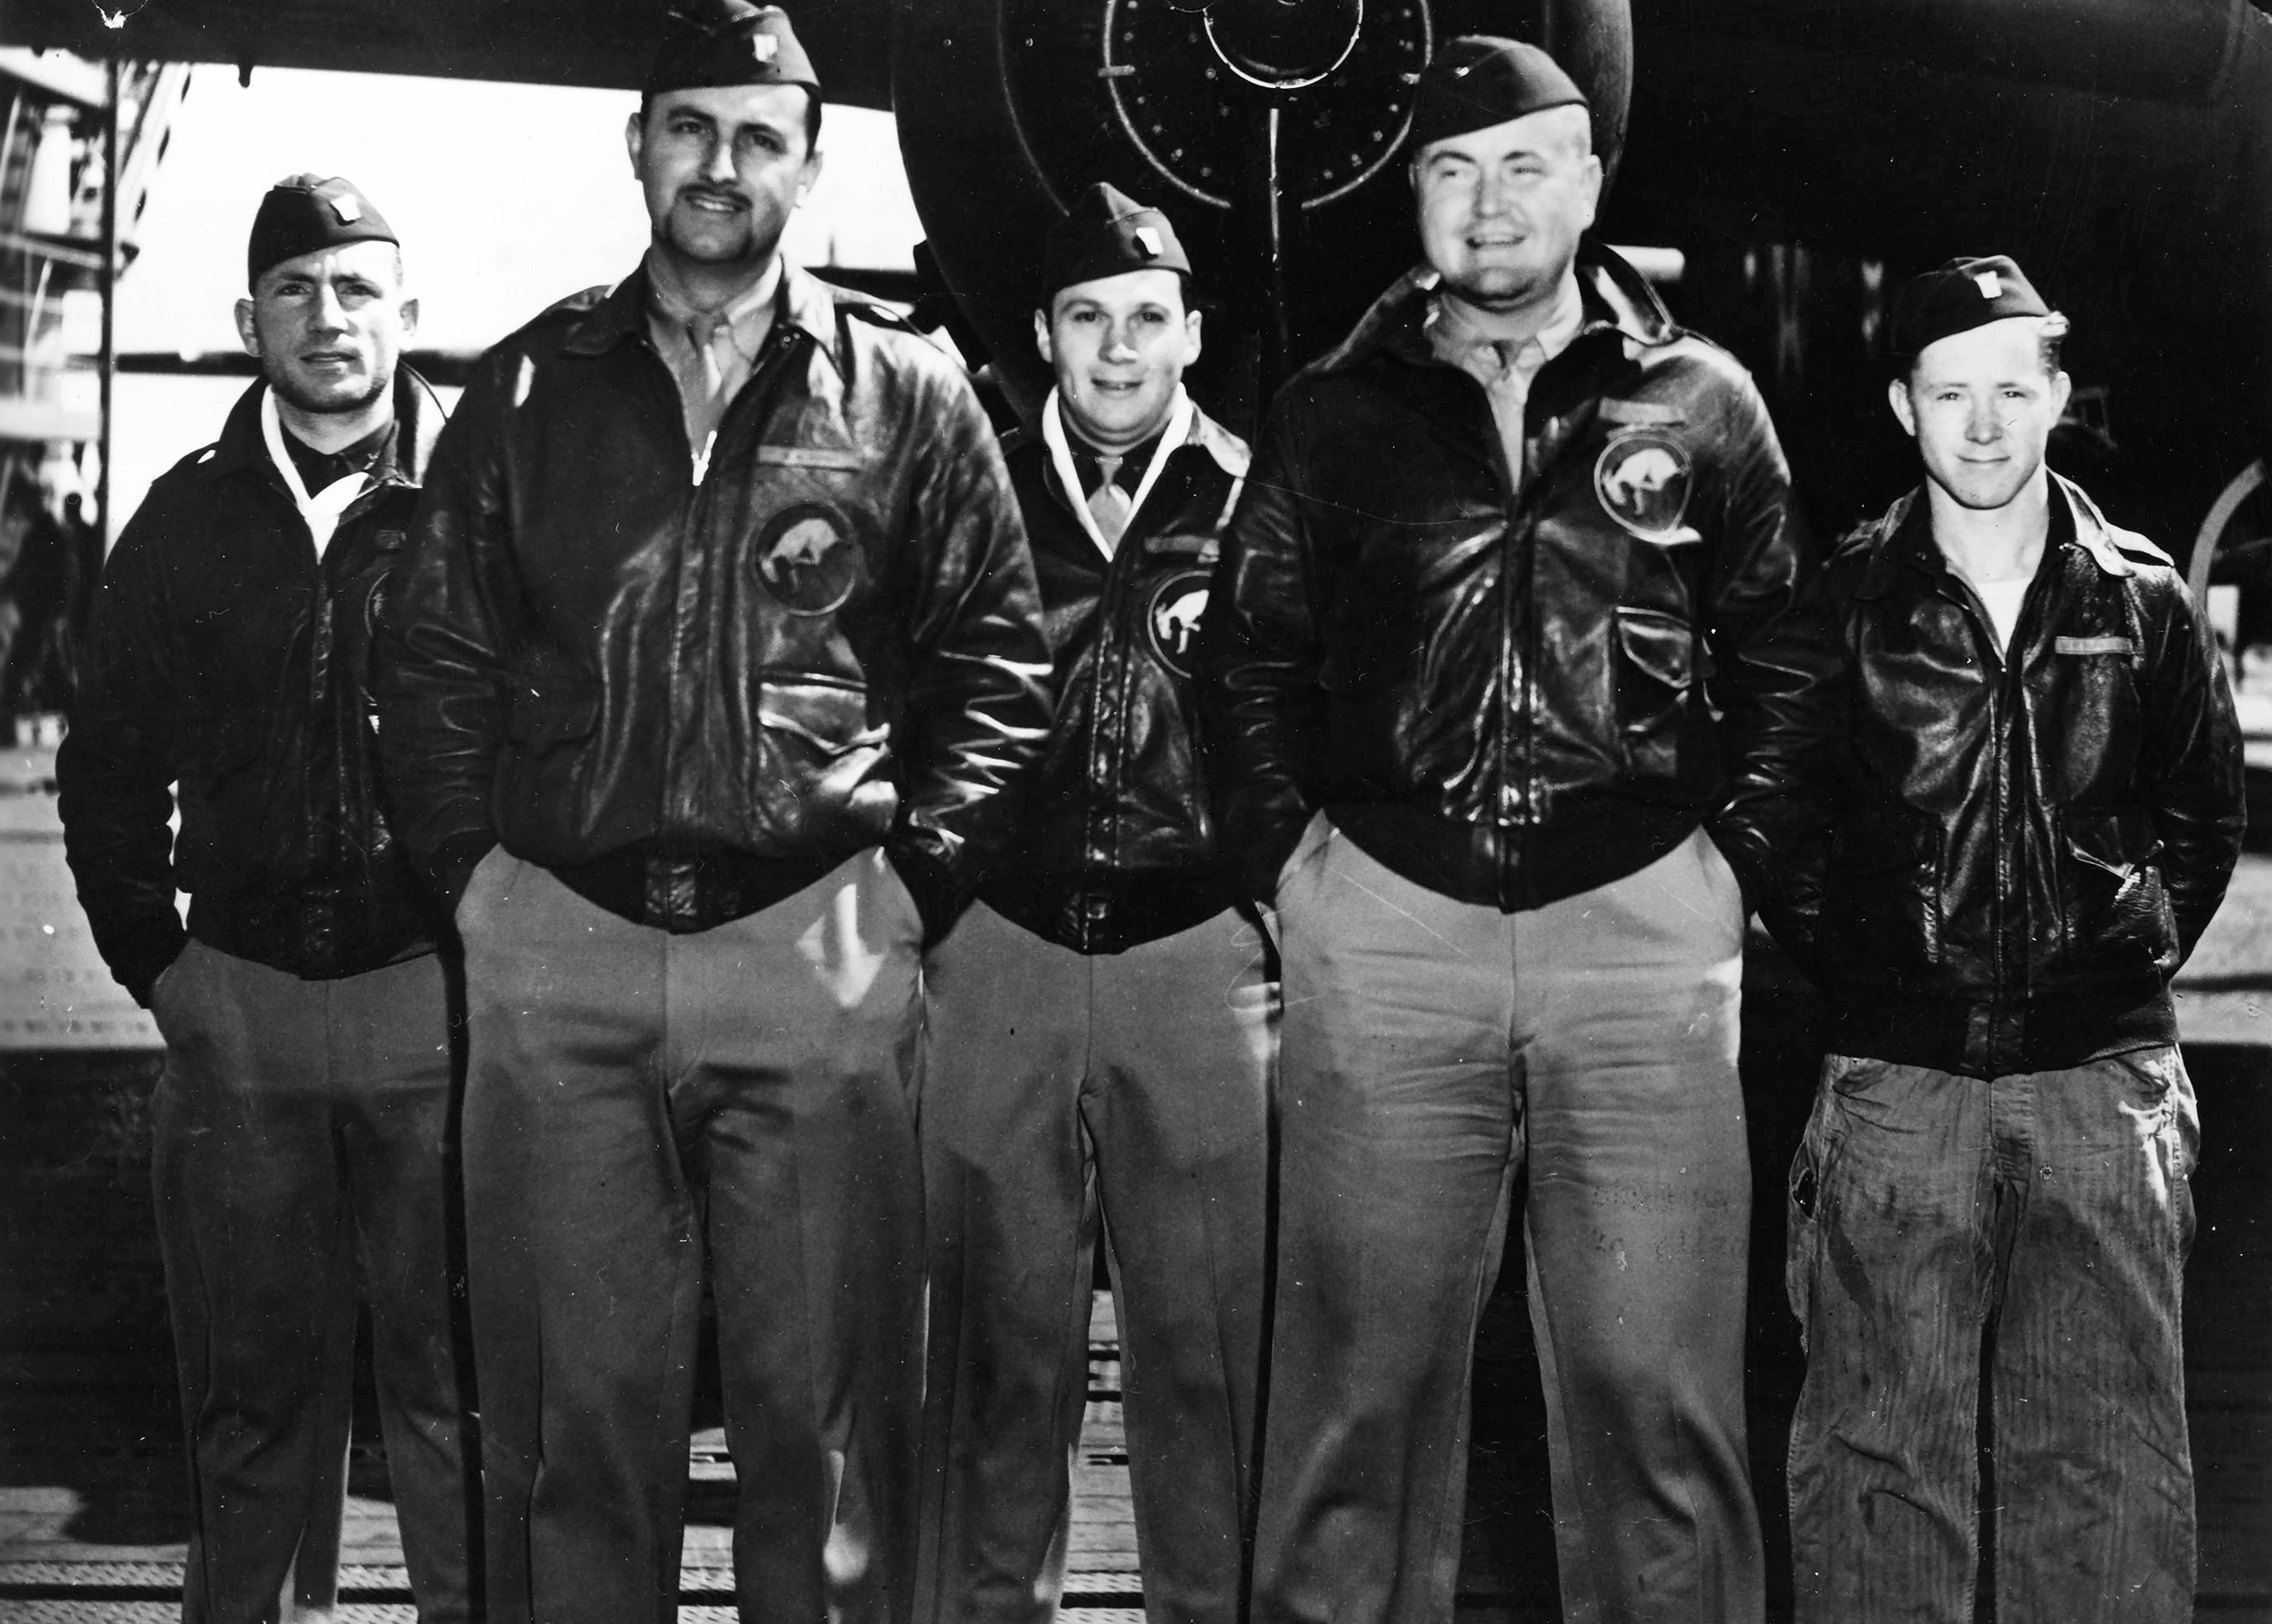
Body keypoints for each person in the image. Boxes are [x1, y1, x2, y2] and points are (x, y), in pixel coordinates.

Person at [374, 7, 1052, 1622]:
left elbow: (1000, 667)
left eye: (760, 136)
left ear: (812, 164)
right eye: (690, 127)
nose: (721, 166)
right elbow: (435, 655)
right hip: (567, 955)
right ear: (636, 143)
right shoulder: (534, 380)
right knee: (572, 1432)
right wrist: (481, 892)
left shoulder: (908, 391)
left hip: (807, 947)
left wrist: (906, 892)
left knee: (820, 1449)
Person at [1199, 35, 1843, 1624]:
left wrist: (1725, 873)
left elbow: (1789, 650)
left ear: (1590, 182)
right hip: (1390, 934)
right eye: (1450, 173)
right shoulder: (1332, 410)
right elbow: (1250, 659)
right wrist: (1303, 873)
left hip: (1637, 939)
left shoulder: (1702, 400)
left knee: (1659, 1397)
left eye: (1522, 166)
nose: (1487, 206)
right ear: (1413, 198)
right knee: (1358, 1396)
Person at [1769, 256, 2246, 1623]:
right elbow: (1773, 809)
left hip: (2103, 1088)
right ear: (1904, 409)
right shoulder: (1848, 599)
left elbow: (2203, 815)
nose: (1982, 425)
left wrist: (2123, 943)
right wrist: (1878, 966)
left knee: (2104, 1464)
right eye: (1949, 392)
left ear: (2057, 397)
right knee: (1880, 1456)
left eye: (2009, 389)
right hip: (1899, 1095)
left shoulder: (2140, 598)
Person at [56, 176, 472, 1624]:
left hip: (437, 1009)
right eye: (295, 288)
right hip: (243, 1016)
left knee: (455, 1415)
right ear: (249, 320)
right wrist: (164, 972)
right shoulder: (183, 522)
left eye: (358, 286)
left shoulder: (479, 509)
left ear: (408, 312)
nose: (328, 316)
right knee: (250, 1409)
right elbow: (104, 769)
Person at [913, 183, 1267, 1624]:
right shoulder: (969, 493)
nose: (1117, 349)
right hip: (1002, 951)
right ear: (1044, 336)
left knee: (1212, 1362)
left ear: (1192, 333)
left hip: (1200, 960)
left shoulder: (1257, 499)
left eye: (1145, 318)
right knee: (999, 1361)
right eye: (1085, 319)